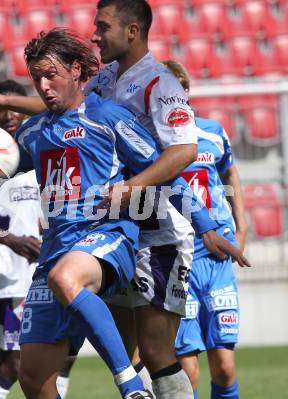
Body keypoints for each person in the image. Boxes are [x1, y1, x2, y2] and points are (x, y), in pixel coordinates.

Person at [0, 29, 248, 399]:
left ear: (75, 70)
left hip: (109, 237)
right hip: (57, 248)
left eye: (50, 74)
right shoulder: (35, 131)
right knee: (33, 377)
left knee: (70, 279)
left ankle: (132, 387)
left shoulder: (108, 117)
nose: (42, 85)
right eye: (36, 77)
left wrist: (206, 226)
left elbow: (163, 172)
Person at [0, 79, 75, 399]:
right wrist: (12, 241)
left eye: (13, 107)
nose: (8, 115)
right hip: (3, 273)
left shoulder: (34, 149)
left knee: (61, 356)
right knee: (12, 363)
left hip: (38, 271)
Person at [163, 60, 246, 399]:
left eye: (179, 88)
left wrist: (241, 229)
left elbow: (230, 174)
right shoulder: (155, 140)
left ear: (187, 91)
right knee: (188, 369)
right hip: (178, 258)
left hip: (216, 258)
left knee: (225, 367)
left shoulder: (213, 132)